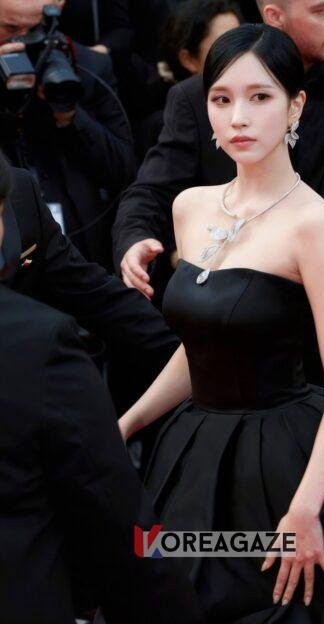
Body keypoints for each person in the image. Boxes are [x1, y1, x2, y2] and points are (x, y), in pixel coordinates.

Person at [118, 25, 324, 623]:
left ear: (295, 105)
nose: (238, 117)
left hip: (288, 459)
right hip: (193, 455)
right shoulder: (190, 207)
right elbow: (203, 346)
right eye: (221, 98)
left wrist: (305, 508)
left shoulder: (314, 224)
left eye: (259, 97)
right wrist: (129, 421)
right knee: (165, 582)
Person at [113, 0, 324, 429]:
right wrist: (135, 239)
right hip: (243, 368)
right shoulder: (201, 98)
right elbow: (151, 191)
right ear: (276, 16)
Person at [0, 153, 204, 624]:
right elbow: (124, 529)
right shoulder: (45, 344)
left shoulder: (22, 192)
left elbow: (94, 294)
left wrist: (200, 358)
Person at [0, 0, 134, 269]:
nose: (22, 40)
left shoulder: (88, 65)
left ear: (56, 11)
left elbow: (123, 171)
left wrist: (70, 114)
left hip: (82, 247)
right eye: (9, 28)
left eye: (35, 29)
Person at [136, 0, 241, 160]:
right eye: (225, 46)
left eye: (242, 42)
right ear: (189, 60)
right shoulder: (166, 129)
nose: (241, 54)